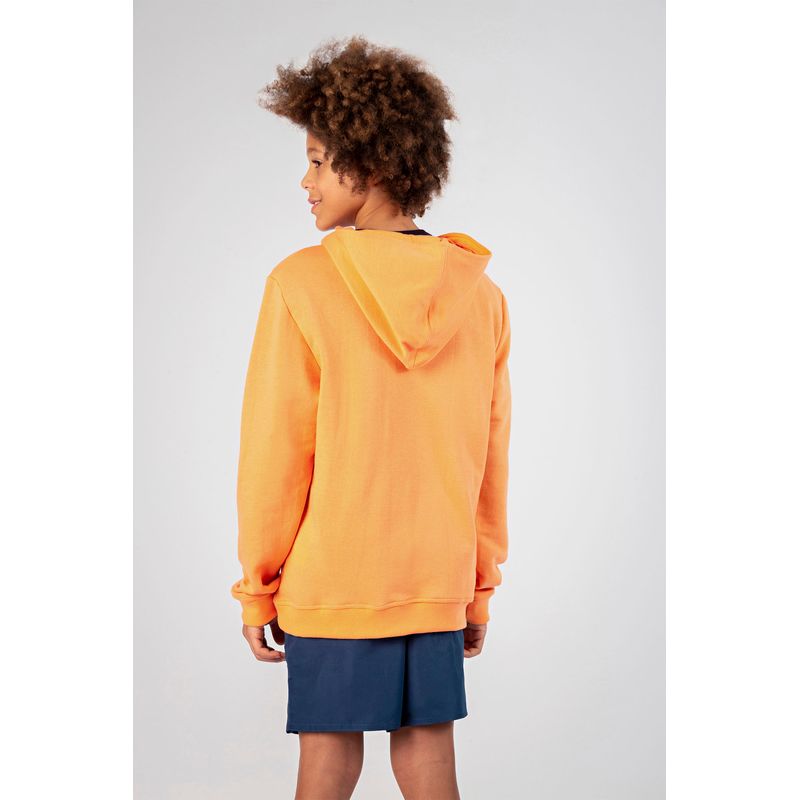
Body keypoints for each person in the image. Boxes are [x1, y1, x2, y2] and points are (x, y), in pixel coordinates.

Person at [230, 35, 511, 800]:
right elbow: (488, 460)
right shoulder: (480, 297)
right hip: (435, 576)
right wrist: (477, 586)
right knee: (429, 763)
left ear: (373, 161)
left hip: (336, 581)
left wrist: (257, 587)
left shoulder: (301, 284)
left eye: (320, 161)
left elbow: (275, 454)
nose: (306, 180)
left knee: (327, 767)